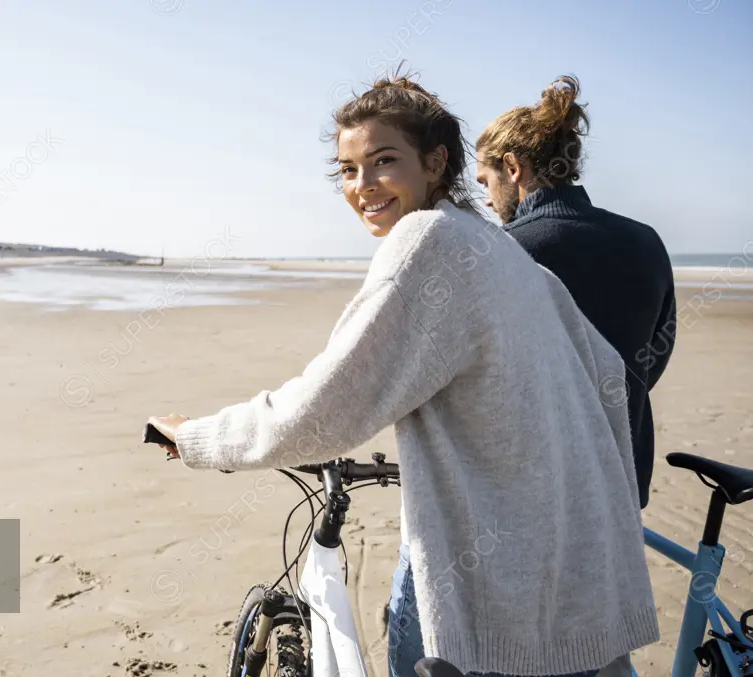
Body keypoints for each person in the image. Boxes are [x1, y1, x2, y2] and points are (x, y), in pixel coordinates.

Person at [148, 73, 658, 677]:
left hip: (499, 599)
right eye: (347, 169)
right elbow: (606, 377)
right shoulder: (504, 252)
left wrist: (199, 438)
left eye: (383, 161)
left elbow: (327, 407)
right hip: (579, 576)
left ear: (436, 162)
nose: (362, 186)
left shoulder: (428, 240)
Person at [475, 75, 676, 511]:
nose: (487, 201)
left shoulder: (504, 251)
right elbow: (655, 354)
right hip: (622, 486)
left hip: (528, 495)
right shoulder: (646, 242)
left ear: (513, 168)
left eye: (484, 181)